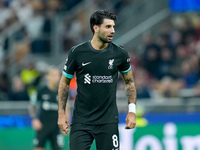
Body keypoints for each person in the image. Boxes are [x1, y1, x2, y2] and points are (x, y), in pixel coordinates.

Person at [58, 10, 137, 150]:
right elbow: (64, 82)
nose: (112, 30)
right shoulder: (77, 52)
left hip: (108, 122)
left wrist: (132, 111)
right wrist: (61, 112)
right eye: (108, 27)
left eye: (113, 27)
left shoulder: (120, 53)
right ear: (95, 28)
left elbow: (129, 82)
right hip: (81, 121)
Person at [29, 67, 65, 150]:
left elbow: (66, 108)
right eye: (54, 75)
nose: (56, 78)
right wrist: (34, 119)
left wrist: (66, 123)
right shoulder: (41, 90)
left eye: (58, 75)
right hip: (43, 126)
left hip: (56, 128)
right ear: (48, 77)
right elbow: (32, 106)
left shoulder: (62, 92)